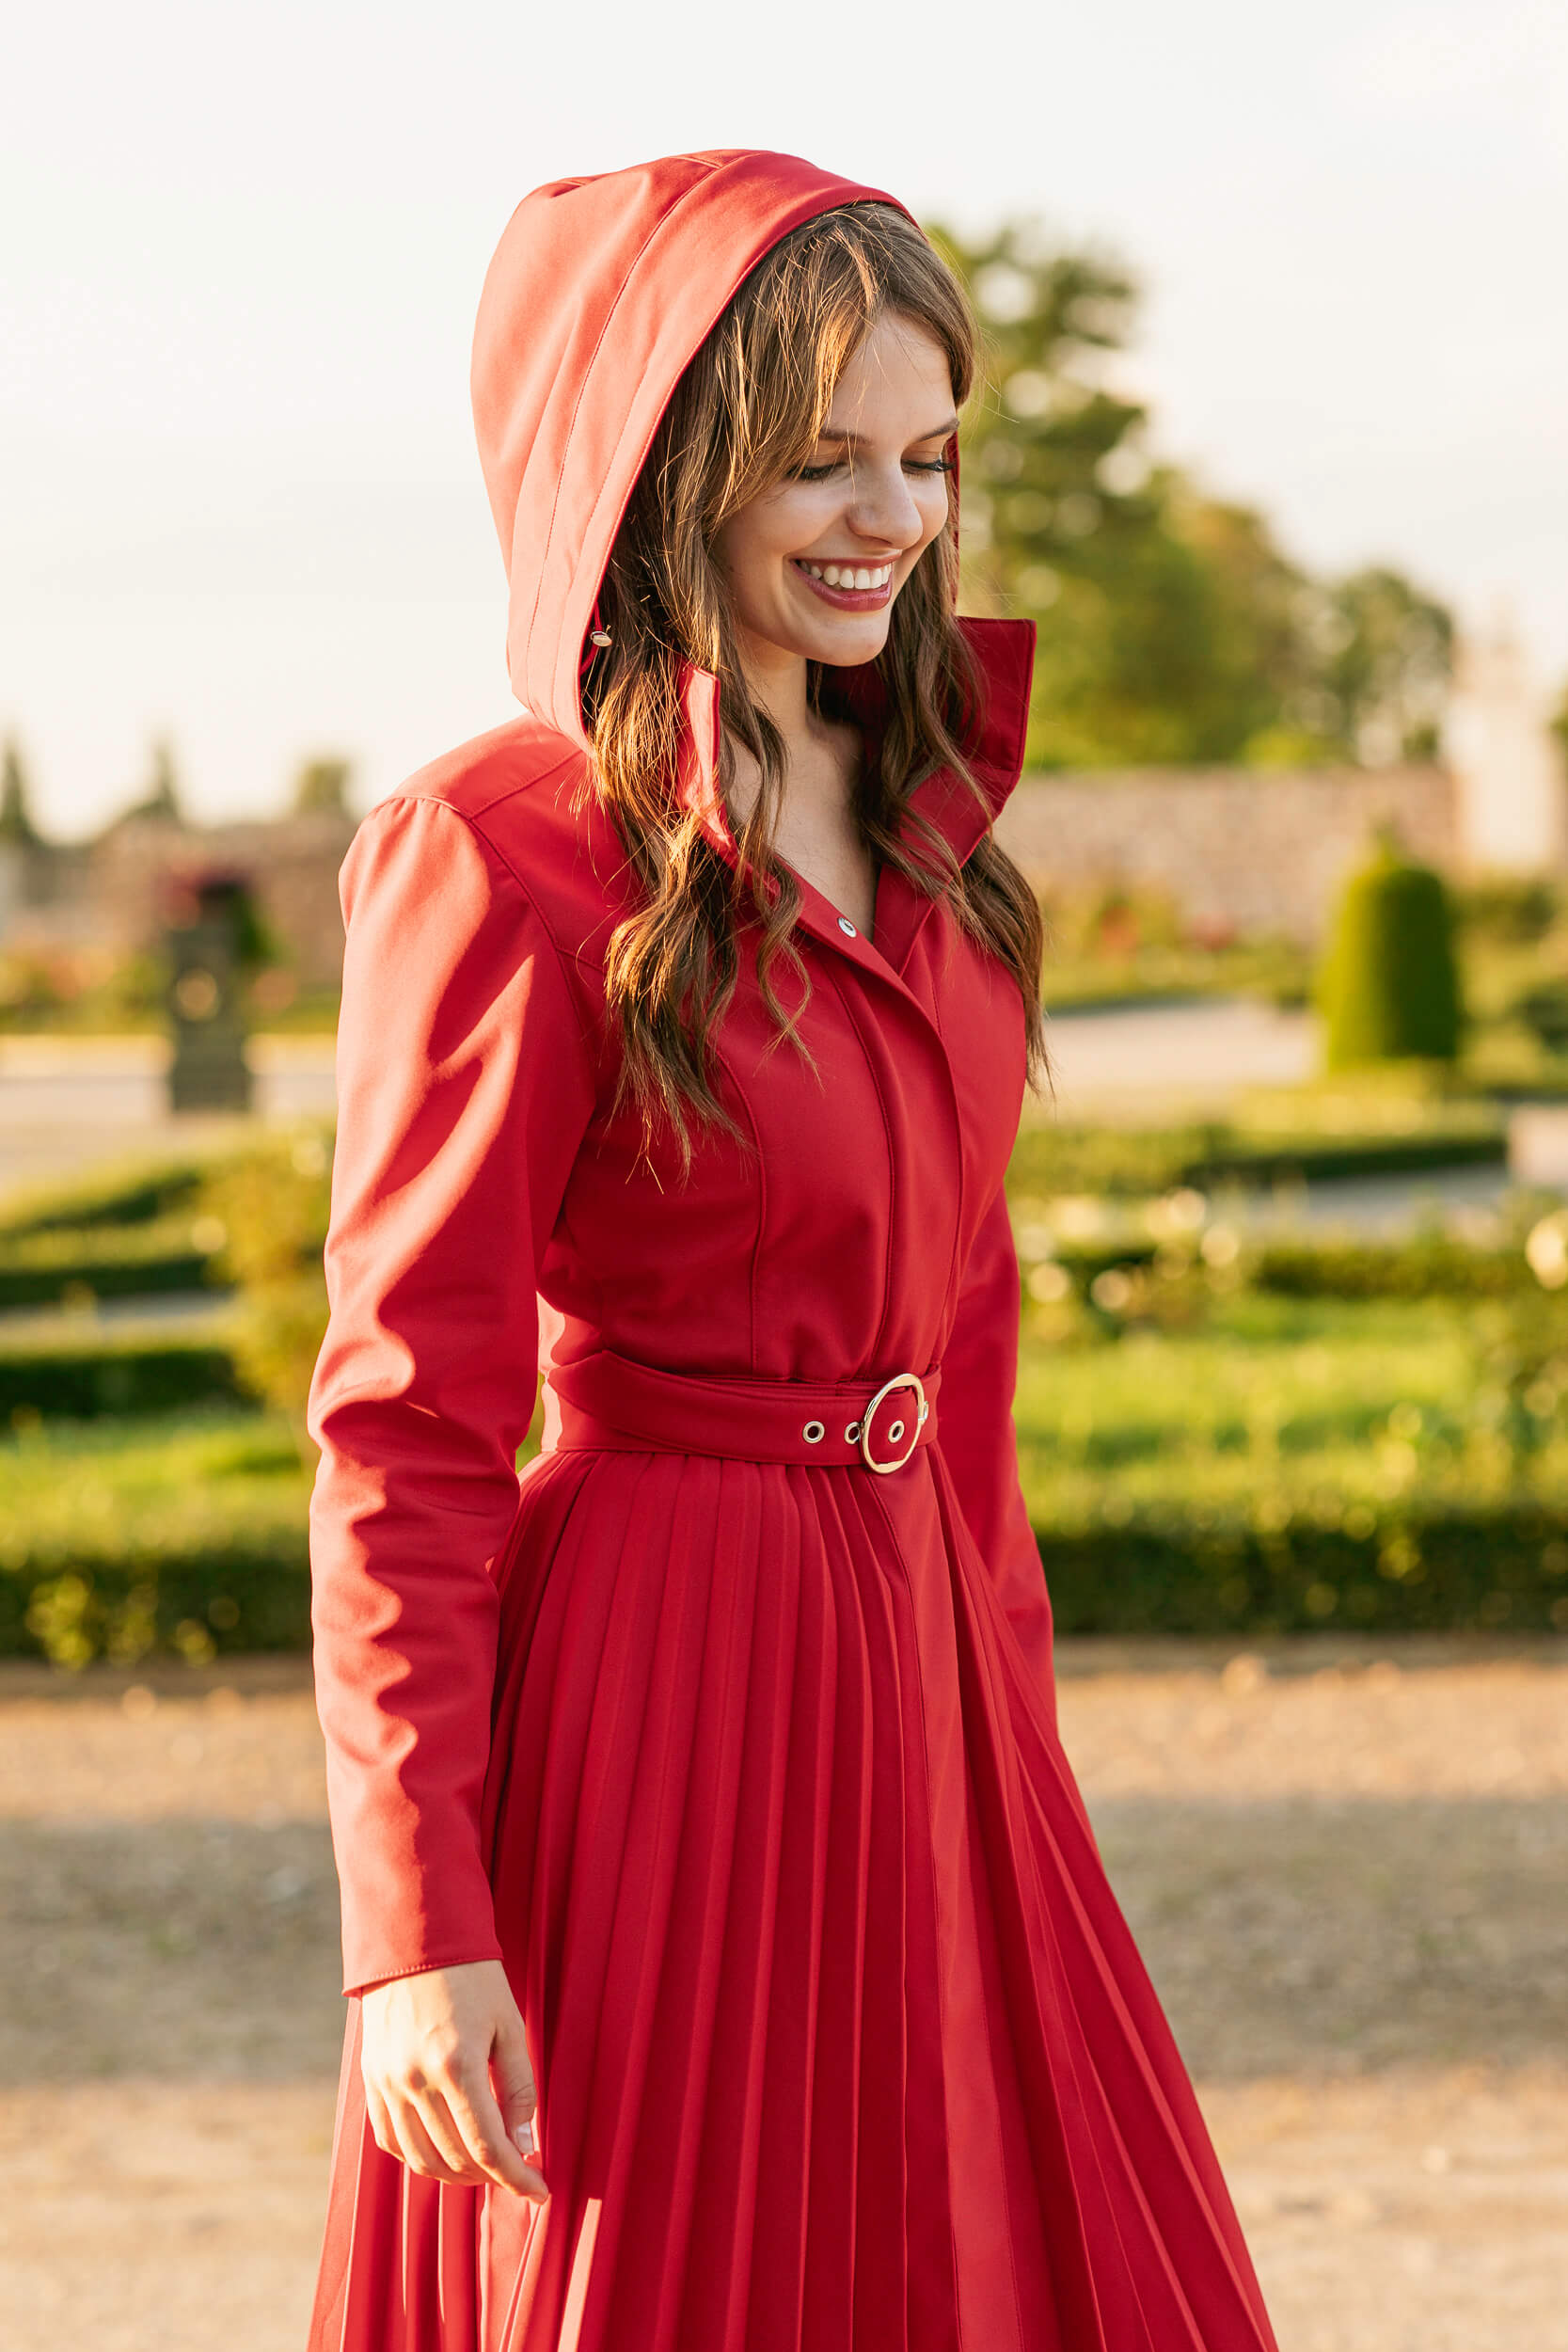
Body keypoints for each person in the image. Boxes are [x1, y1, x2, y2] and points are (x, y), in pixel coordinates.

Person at [306, 149, 1279, 2352]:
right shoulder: (500, 853)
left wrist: (1008, 1743)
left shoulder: (939, 836)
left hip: (930, 1682)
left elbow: (970, 1350)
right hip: (658, 1695)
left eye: (928, 456)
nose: (890, 515)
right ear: (671, 467)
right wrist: (416, 1928)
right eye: (821, 457)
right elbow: (403, 1427)